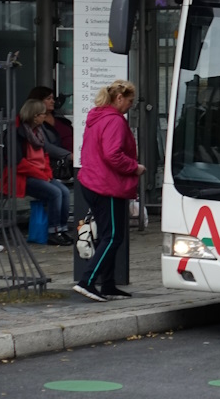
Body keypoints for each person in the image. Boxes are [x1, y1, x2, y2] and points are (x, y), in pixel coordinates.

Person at [74, 80, 146, 302]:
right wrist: (135, 168)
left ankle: (108, 284)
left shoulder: (97, 117)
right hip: (107, 185)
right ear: (119, 98)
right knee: (113, 236)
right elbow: (112, 154)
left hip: (92, 182)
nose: (131, 106)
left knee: (109, 235)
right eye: (130, 101)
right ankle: (88, 281)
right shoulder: (114, 121)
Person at [0, 99, 75, 245]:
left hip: (39, 174)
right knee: (55, 193)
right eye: (43, 114)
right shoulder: (16, 134)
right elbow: (18, 164)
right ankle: (53, 231)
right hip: (21, 177)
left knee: (64, 191)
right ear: (35, 116)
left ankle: (62, 229)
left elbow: (44, 156)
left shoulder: (38, 132)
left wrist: (48, 175)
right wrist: (44, 176)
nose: (46, 117)